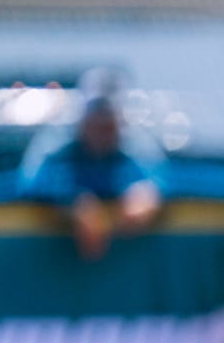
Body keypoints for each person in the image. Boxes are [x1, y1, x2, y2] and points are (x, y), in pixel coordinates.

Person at [18, 92, 163, 261]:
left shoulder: (131, 151)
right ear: (83, 125)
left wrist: (146, 194)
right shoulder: (60, 150)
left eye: (109, 126)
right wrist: (75, 204)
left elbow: (160, 180)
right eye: (97, 126)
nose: (104, 134)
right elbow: (29, 183)